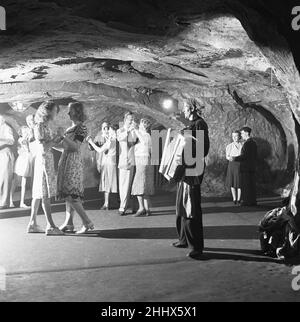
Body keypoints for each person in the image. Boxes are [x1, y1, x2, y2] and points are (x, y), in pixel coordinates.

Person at [173, 99, 210, 260]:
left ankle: (196, 247)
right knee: (181, 207)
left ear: (193, 109)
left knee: (191, 209)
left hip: (192, 171)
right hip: (185, 171)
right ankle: (183, 239)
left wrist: (187, 137)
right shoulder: (190, 126)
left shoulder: (200, 124)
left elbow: (202, 148)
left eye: (186, 108)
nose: (184, 111)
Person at [56, 102, 94, 234]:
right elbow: (65, 146)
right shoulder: (70, 129)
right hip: (66, 160)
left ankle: (87, 222)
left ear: (77, 112)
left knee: (72, 195)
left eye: (70, 110)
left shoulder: (81, 128)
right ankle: (69, 223)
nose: (68, 113)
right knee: (67, 194)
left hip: (73, 162)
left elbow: (75, 146)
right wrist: (50, 144)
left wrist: (62, 136)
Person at [27, 101, 64, 235]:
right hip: (43, 163)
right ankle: (50, 226)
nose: (56, 113)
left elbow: (50, 144)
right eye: (54, 110)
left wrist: (64, 147)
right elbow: (44, 148)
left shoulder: (45, 126)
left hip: (44, 161)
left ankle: (32, 223)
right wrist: (58, 137)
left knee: (38, 194)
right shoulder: (40, 126)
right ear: (47, 112)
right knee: (45, 194)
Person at [87, 123, 118, 210]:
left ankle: (110, 203)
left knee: (108, 183)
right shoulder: (110, 139)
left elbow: (99, 150)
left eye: (109, 129)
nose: (107, 130)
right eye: (104, 128)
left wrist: (90, 142)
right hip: (107, 163)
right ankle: (106, 203)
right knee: (106, 183)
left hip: (109, 163)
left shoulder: (111, 141)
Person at [131, 118, 155, 217]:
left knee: (138, 185)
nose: (139, 125)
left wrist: (135, 129)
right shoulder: (145, 135)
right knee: (144, 186)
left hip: (143, 162)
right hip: (145, 161)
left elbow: (144, 142)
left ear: (143, 126)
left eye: (141, 124)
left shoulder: (146, 135)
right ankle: (147, 209)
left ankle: (141, 208)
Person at [230, 126, 258, 207]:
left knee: (246, 185)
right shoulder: (253, 143)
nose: (241, 135)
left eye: (242, 133)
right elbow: (255, 156)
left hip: (246, 167)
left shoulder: (247, 143)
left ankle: (246, 201)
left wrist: (234, 158)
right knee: (251, 185)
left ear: (246, 133)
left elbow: (244, 156)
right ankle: (252, 201)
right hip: (252, 167)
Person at [116, 112, 137, 216]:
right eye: (130, 119)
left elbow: (134, 141)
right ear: (125, 120)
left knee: (132, 184)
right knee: (123, 185)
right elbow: (120, 138)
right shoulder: (120, 130)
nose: (132, 121)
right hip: (124, 161)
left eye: (133, 119)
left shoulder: (134, 131)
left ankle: (133, 206)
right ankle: (123, 207)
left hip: (132, 160)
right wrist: (128, 130)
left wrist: (134, 130)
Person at [10, 125, 34, 208]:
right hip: (23, 161)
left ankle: (22, 202)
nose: (26, 133)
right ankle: (10, 200)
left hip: (27, 160)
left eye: (27, 132)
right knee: (16, 181)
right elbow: (26, 149)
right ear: (21, 133)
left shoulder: (28, 140)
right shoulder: (22, 140)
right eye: (24, 132)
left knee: (24, 182)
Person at [0, 116, 15, 209]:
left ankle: (4, 203)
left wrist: (1, 140)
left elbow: (11, 141)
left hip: (6, 154)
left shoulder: (6, 127)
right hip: (1, 154)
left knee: (5, 178)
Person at [225, 131, 243, 205]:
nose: (235, 138)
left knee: (239, 182)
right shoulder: (229, 146)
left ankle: (239, 199)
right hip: (232, 164)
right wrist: (230, 158)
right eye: (233, 136)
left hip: (240, 164)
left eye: (236, 136)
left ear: (239, 136)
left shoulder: (243, 145)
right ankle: (234, 198)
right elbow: (227, 156)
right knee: (232, 182)